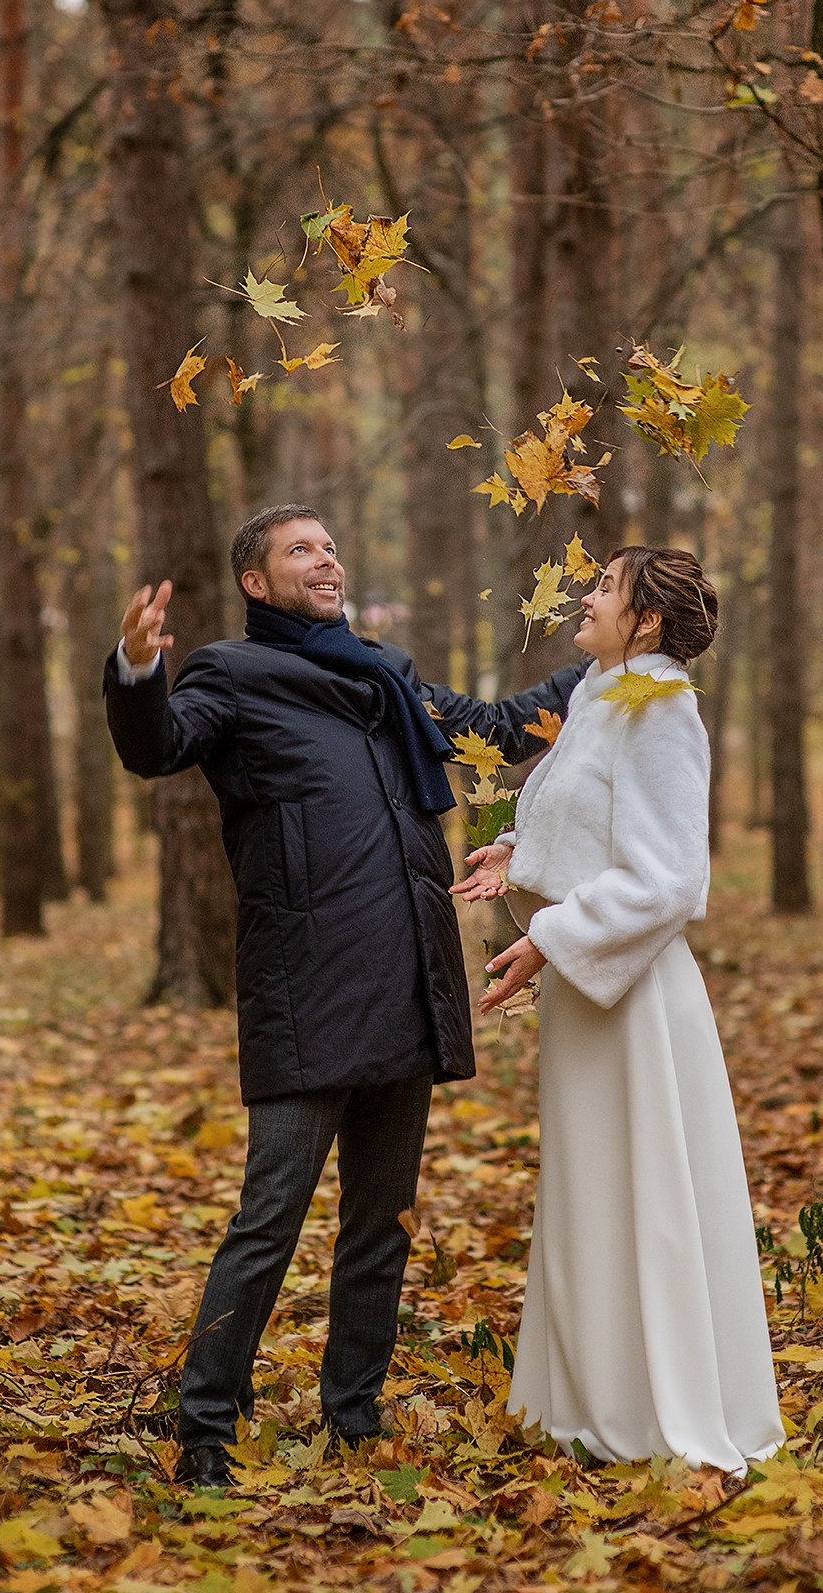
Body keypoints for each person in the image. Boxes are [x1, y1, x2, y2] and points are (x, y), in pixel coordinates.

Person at [104, 504, 584, 1487]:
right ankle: (204, 1426)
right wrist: (135, 669)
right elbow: (158, 746)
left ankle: (352, 1415)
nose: (323, 559)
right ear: (255, 581)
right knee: (269, 1216)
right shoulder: (227, 677)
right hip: (307, 982)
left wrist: (612, 665)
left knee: (383, 1220)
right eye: (299, 549)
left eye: (328, 545)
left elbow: (491, 730)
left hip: (406, 973)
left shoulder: (387, 673)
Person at [451, 545, 784, 1473]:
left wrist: (548, 938)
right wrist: (514, 854)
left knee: (646, 1192)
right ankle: (591, 1398)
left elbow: (670, 878)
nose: (587, 597)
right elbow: (590, 823)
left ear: (646, 621)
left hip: (634, 995)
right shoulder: (605, 694)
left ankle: (655, 1407)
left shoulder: (662, 707)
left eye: (607, 587)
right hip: (590, 991)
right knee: (592, 1186)